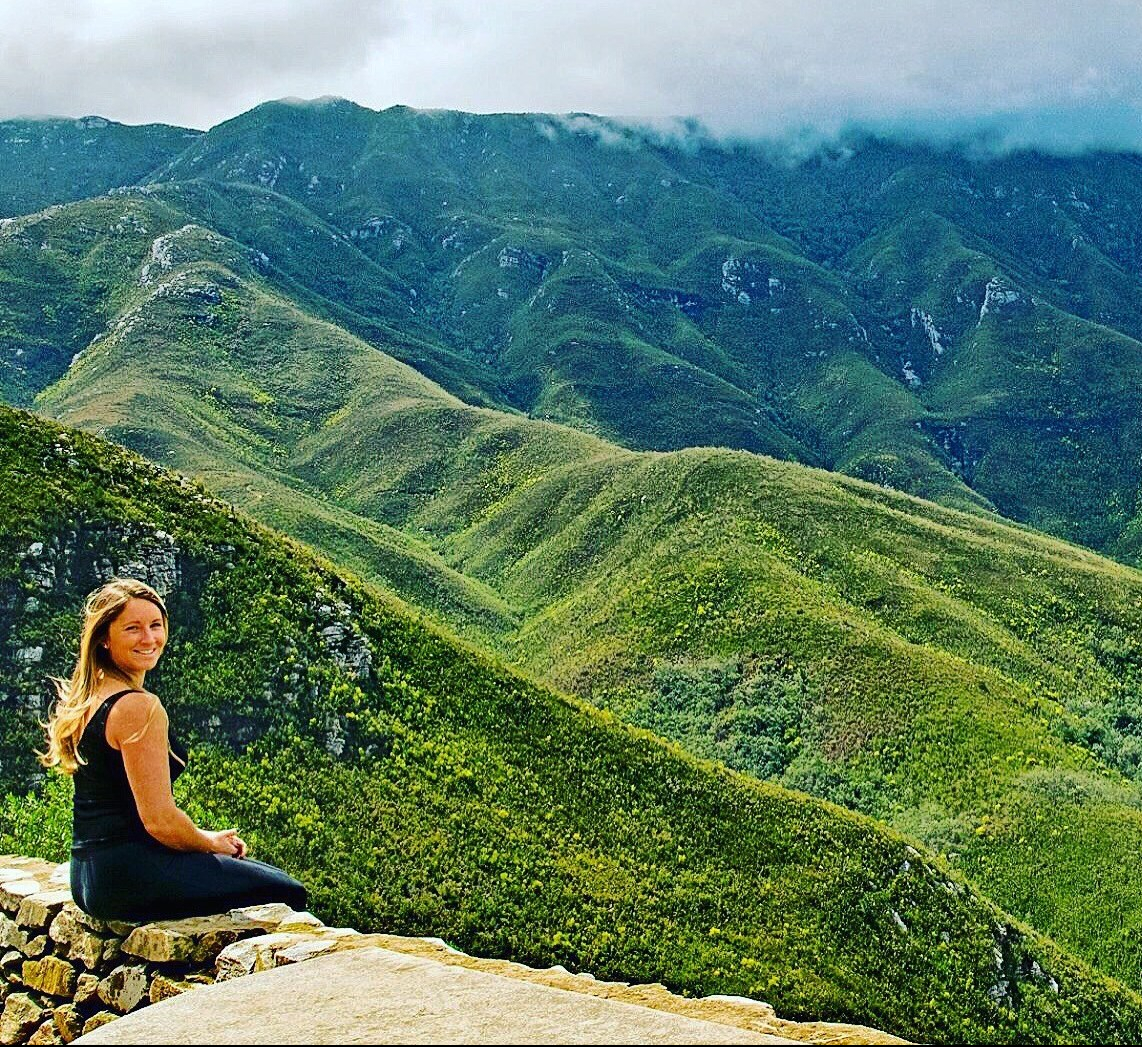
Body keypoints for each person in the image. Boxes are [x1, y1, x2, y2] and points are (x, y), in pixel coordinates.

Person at [40, 576, 308, 922]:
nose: (149, 638)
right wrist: (210, 844)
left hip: (88, 875)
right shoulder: (138, 708)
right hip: (129, 875)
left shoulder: (89, 697)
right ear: (104, 638)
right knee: (287, 891)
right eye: (133, 628)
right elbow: (160, 821)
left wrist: (204, 837)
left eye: (156, 625)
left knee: (260, 873)